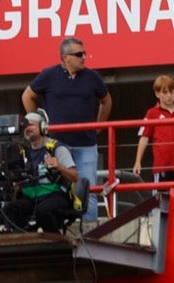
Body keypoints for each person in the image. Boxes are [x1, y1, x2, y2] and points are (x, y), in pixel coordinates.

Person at [21, 37, 111, 222]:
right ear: (65, 57)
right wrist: (40, 125)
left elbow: (106, 101)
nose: (84, 57)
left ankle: (89, 233)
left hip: (86, 145)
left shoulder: (92, 76)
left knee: (88, 190)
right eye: (79, 54)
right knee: (57, 190)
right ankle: (62, 229)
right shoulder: (49, 75)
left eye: (84, 53)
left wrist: (99, 126)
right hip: (58, 146)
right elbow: (27, 96)